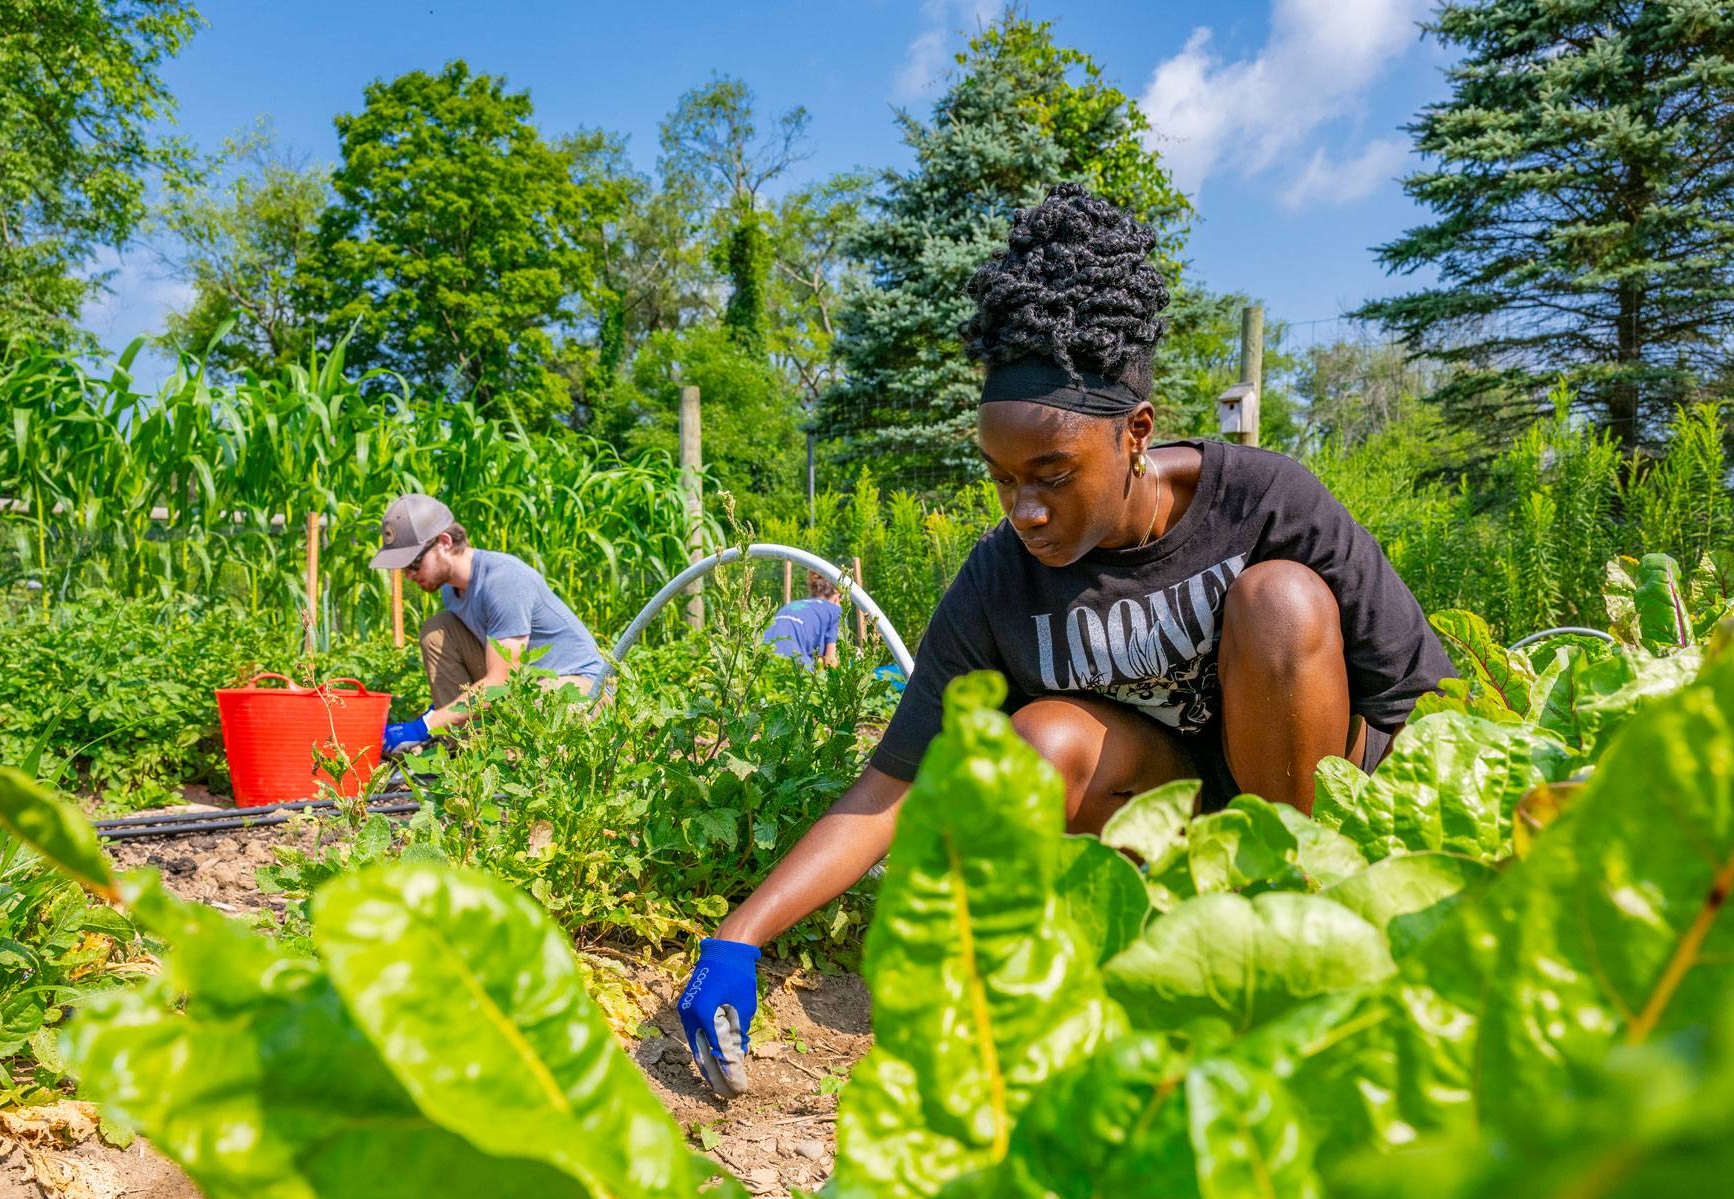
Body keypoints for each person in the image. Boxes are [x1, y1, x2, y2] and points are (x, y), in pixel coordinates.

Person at [675, 183, 1456, 1097]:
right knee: (1036, 740)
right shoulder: (999, 578)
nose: (1027, 508)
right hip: (1173, 831)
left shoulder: (1266, 499)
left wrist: (1424, 885)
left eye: (1052, 473)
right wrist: (741, 934)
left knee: (1280, 602)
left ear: (1136, 433)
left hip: (1304, 815)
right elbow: (894, 782)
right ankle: (1153, 947)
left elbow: (1421, 707)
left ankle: (1291, 936)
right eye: (1002, 479)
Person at [370, 492, 606, 752]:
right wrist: (443, 711)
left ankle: (503, 756)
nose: (409, 574)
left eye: (414, 563)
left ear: (444, 542)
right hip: (528, 683)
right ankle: (470, 752)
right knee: (438, 630)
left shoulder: (503, 581)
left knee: (537, 716)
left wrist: (424, 725)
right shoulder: (452, 590)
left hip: (580, 684)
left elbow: (501, 681)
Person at [761, 571, 842, 669]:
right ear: (837, 597)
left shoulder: (793, 604)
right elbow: (830, 660)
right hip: (791, 657)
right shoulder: (836, 610)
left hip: (761, 651)